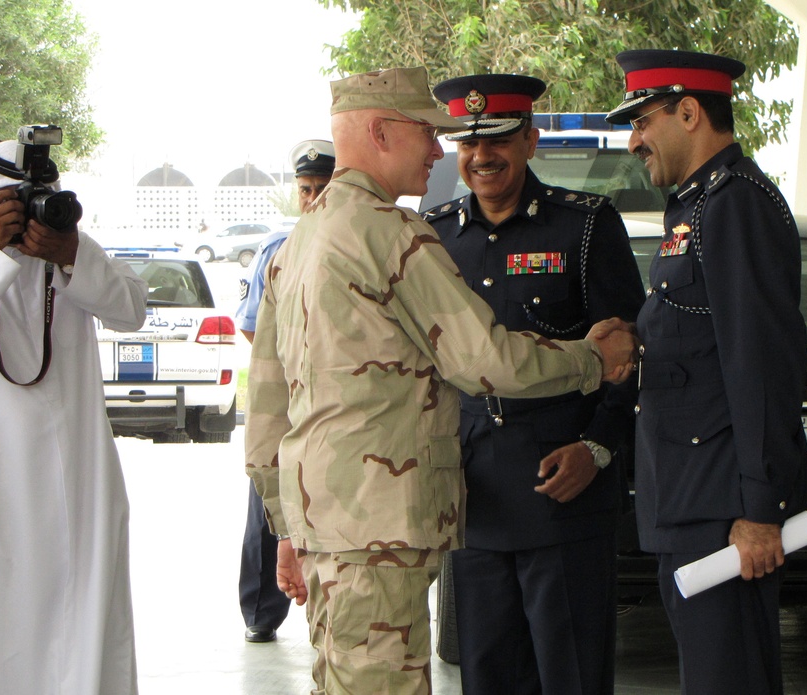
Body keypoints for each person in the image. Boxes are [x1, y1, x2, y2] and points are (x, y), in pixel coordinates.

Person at [243, 66, 638, 695]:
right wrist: (592, 358)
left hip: (331, 522)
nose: (439, 149)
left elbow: (263, 401)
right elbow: (484, 360)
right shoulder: (391, 234)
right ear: (380, 132)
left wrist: (284, 525)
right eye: (427, 132)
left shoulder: (298, 242)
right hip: (379, 525)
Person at [423, 73, 645, 694]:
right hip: (475, 497)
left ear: (529, 139)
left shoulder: (584, 227)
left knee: (571, 677)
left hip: (565, 494)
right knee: (488, 677)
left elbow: (627, 356)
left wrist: (598, 449)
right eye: (466, 145)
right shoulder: (434, 236)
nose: (480, 158)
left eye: (495, 141)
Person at [606, 49, 807, 694]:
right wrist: (636, 338)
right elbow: (699, 339)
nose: (634, 139)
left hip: (725, 511)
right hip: (693, 499)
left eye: (643, 120)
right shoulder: (694, 207)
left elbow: (761, 368)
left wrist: (760, 511)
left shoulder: (735, 207)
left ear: (690, 112)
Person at [0, 138, 148, 694]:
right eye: (8, 202)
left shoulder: (67, 252)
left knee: (80, 626)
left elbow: (132, 310)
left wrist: (70, 255)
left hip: (77, 485)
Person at [235, 138, 335, 643]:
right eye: (305, 188)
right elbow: (255, 330)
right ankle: (261, 611)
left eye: (322, 188)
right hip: (287, 403)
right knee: (269, 507)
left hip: (335, 409)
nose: (313, 197)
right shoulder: (278, 250)